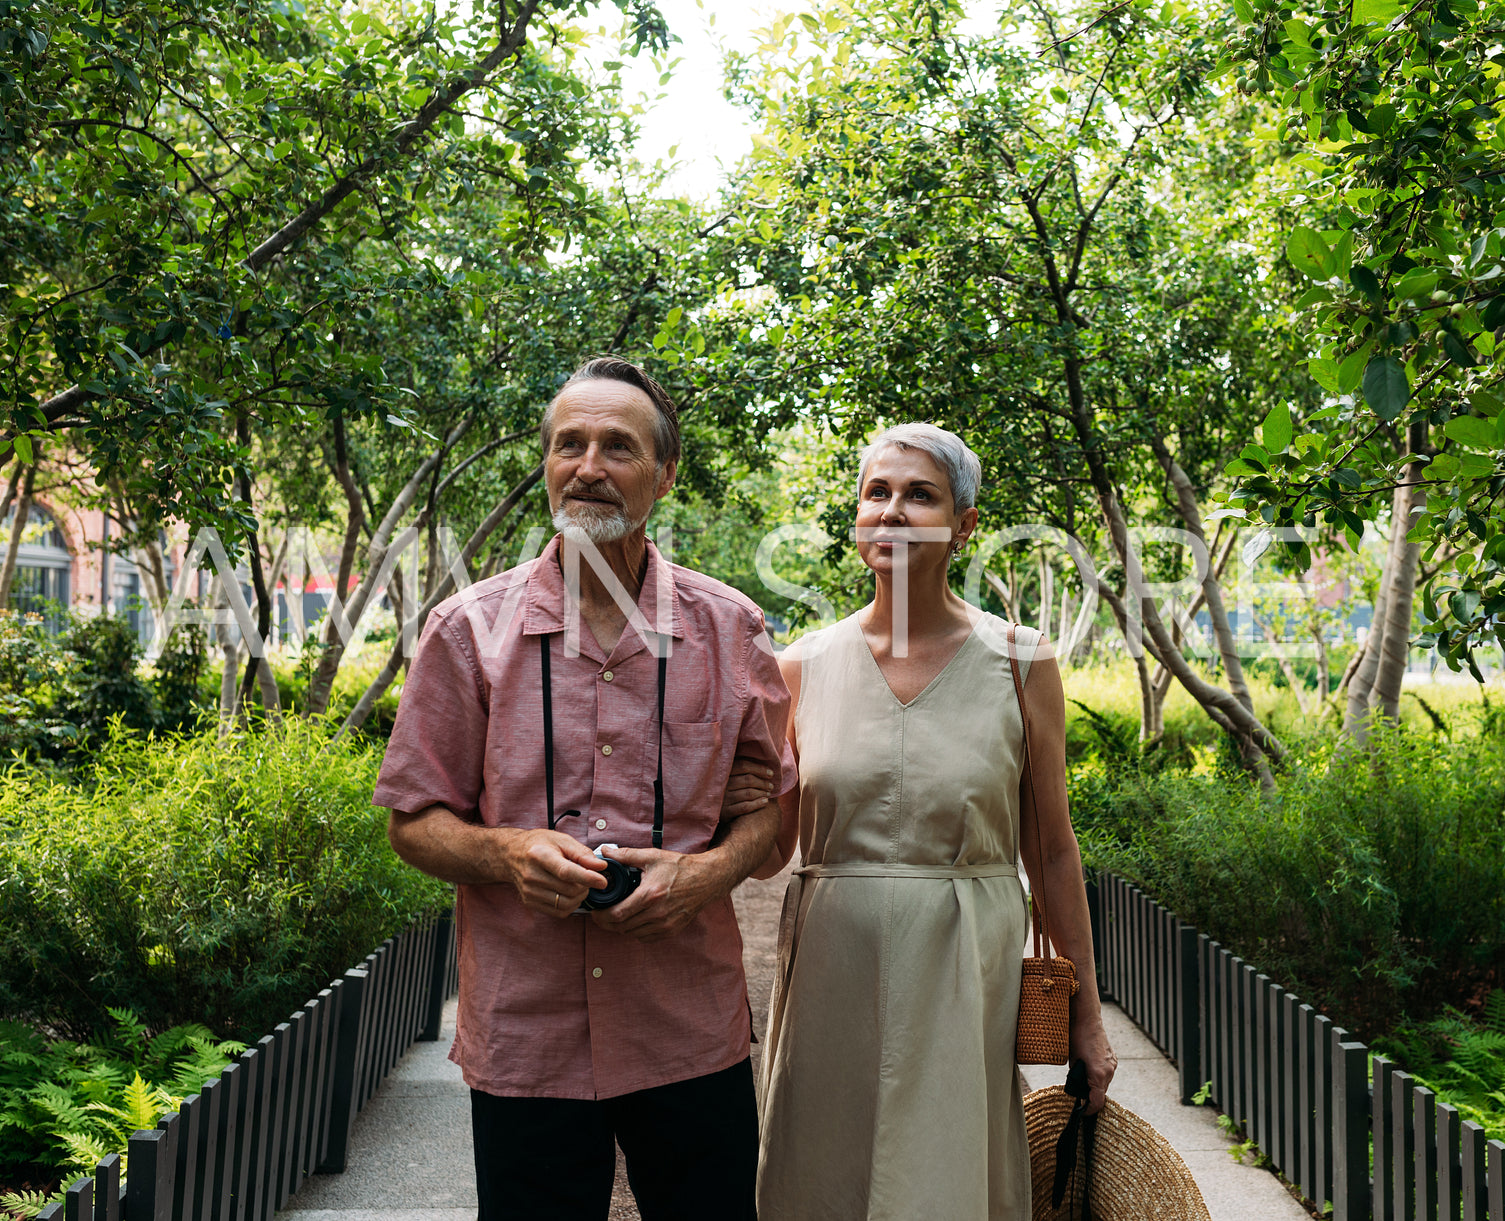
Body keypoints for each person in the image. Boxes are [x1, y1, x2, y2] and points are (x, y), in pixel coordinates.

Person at [375, 356, 795, 1221]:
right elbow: (412, 822)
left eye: (618, 446)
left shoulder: (730, 629)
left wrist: (705, 873)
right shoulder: (466, 632)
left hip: (685, 1024)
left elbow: (771, 818)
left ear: (665, 475)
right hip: (527, 1026)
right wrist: (506, 850)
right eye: (569, 444)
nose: (589, 466)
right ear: (546, 465)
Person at [754, 423, 1117, 1220]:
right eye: (875, 493)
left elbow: (1052, 850)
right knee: (822, 1176)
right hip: (829, 969)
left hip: (967, 974)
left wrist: (1087, 1018)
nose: (891, 511)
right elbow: (763, 844)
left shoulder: (1021, 661)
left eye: (918, 494)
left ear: (964, 524)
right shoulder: (799, 666)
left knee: (949, 1181)